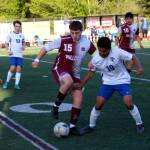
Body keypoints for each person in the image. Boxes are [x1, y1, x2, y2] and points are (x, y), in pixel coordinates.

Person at [32, 21, 96, 135]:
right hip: (60, 69)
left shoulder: (86, 42)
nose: (75, 35)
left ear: (82, 31)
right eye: (72, 33)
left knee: (79, 97)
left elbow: (96, 55)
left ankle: (72, 127)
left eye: (77, 33)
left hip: (75, 74)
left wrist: (94, 61)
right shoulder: (63, 40)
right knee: (68, 82)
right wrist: (37, 60)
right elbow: (45, 48)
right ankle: (55, 107)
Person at [80, 37, 144, 134]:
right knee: (98, 104)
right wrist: (82, 84)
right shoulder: (95, 59)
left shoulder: (117, 51)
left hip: (122, 80)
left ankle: (139, 124)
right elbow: (90, 74)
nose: (102, 53)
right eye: (100, 50)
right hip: (107, 82)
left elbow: (132, 57)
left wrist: (139, 68)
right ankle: (91, 126)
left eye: (104, 51)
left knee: (128, 103)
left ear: (110, 49)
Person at [3, 20, 25, 90]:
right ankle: (6, 82)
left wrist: (24, 46)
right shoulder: (10, 34)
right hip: (13, 54)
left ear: (20, 27)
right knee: (12, 68)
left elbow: (23, 43)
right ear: (14, 26)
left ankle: (16, 84)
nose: (17, 28)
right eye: (16, 26)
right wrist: (8, 50)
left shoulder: (22, 35)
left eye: (18, 26)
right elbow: (6, 43)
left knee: (19, 69)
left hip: (20, 55)